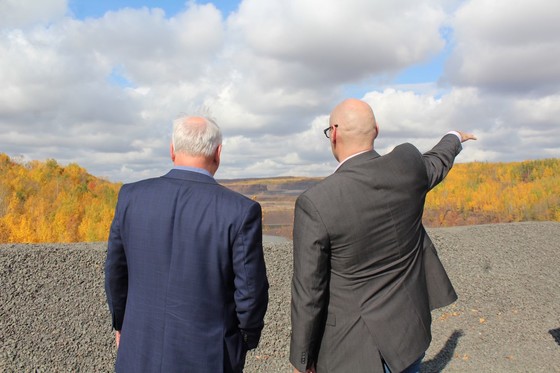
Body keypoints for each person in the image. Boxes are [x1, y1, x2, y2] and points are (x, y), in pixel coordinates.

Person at [290, 98, 476, 373]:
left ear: (335, 134)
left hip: (354, 354)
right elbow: (437, 161)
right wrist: (454, 138)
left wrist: (302, 360)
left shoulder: (316, 203)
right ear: (375, 130)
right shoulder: (408, 169)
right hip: (410, 336)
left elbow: (309, 292)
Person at [105, 115, 269, 373]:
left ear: (172, 150)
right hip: (209, 357)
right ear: (218, 153)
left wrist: (121, 326)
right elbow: (250, 293)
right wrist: (241, 343)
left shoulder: (131, 197)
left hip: (138, 351)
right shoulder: (240, 210)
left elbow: (116, 274)